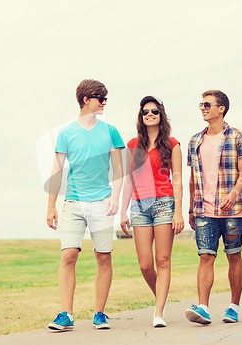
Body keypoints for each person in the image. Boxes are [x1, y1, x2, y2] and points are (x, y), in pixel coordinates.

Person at [46, 79, 125, 331]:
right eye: (99, 97)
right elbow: (57, 170)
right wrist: (51, 206)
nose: (104, 102)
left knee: (103, 256)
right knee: (69, 255)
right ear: (85, 100)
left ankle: (99, 313)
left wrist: (115, 197)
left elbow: (120, 169)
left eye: (105, 98)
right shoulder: (66, 133)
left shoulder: (110, 131)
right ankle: (66, 314)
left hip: (102, 203)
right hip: (74, 203)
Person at [185, 89, 242, 325]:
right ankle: (203, 307)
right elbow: (193, 178)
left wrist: (233, 194)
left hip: (234, 209)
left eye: (207, 104)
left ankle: (233, 307)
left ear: (221, 108)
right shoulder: (195, 140)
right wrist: (191, 208)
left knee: (234, 255)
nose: (203, 108)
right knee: (206, 256)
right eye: (201, 104)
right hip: (204, 209)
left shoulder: (239, 137)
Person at [119, 96, 184, 328]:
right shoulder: (133, 145)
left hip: (164, 203)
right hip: (139, 206)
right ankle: (161, 297)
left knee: (163, 260)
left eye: (154, 111)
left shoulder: (173, 144)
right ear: (141, 116)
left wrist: (178, 212)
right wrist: (123, 211)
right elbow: (128, 180)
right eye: (145, 112)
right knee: (145, 264)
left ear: (161, 115)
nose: (149, 115)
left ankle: (158, 312)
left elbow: (177, 179)